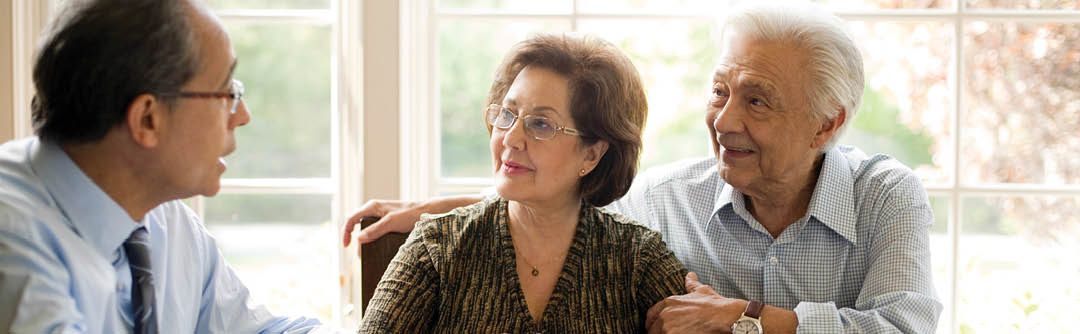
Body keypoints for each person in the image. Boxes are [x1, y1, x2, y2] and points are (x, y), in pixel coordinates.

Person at [344, 3, 942, 333]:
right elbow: (556, 201)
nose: (725, 121)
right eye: (718, 91)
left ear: (826, 124)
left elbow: (902, 329)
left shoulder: (885, 195)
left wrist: (749, 318)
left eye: (756, 100)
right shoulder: (667, 198)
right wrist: (435, 211)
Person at [0, 0, 329, 332]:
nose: (242, 116)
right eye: (226, 93)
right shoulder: (13, 243)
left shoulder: (163, 220)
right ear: (148, 119)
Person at [358, 34, 688, 333]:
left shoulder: (638, 259)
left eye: (541, 124)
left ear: (591, 155)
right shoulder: (437, 248)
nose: (511, 138)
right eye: (507, 114)